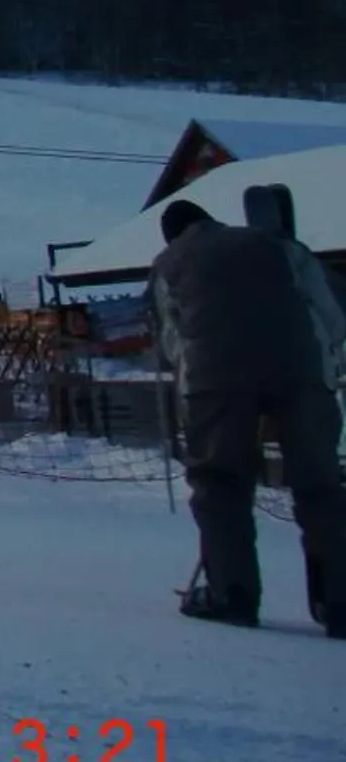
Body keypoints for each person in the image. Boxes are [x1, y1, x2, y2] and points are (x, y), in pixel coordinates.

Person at [148, 199, 346, 634]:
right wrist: (326, 364)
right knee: (320, 487)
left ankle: (231, 594)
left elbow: (173, 337)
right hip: (301, 370)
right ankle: (339, 600)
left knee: (220, 482)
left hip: (214, 378)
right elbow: (330, 312)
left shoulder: (169, 263)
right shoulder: (276, 244)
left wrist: (195, 385)